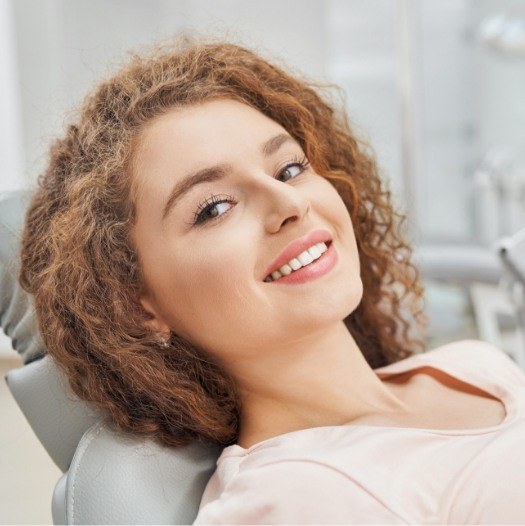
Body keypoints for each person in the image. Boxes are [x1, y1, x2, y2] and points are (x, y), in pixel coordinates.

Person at [18, 35, 525, 524]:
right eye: (214, 208)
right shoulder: (289, 499)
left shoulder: (473, 365)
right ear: (138, 307)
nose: (290, 203)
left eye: (288, 169)